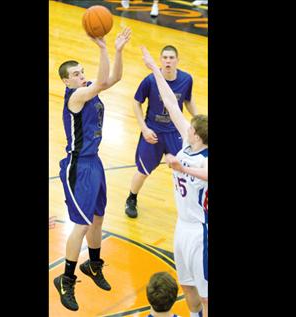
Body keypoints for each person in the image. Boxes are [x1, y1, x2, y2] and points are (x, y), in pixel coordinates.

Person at [53, 27, 132, 312]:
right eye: (75, 74)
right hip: (79, 167)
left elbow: (115, 78)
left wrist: (119, 51)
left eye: (81, 71)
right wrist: (102, 47)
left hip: (95, 163)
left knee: (98, 218)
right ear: (66, 80)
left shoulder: (89, 91)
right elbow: (100, 81)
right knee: (82, 224)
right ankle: (66, 279)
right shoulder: (75, 97)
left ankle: (93, 264)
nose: (80, 75)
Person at [141, 46, 208, 317]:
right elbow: (170, 102)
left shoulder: (204, 158)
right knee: (187, 285)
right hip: (181, 224)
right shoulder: (187, 142)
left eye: (190, 129)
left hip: (200, 230)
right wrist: (155, 69)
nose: (185, 127)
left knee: (205, 292)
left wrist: (183, 167)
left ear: (197, 135)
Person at [125, 45, 198, 218]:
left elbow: (188, 100)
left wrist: (198, 120)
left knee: (185, 169)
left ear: (177, 61)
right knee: (143, 171)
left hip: (175, 133)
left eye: (171, 58)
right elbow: (136, 102)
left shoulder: (186, 79)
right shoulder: (150, 80)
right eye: (165, 57)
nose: (168, 61)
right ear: (160, 60)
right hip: (153, 133)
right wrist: (144, 128)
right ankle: (131, 198)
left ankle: (192, 203)